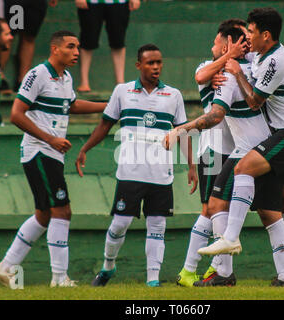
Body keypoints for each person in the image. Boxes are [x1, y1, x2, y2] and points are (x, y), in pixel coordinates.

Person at [197, 7, 284, 285]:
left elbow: (254, 101)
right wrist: (229, 60)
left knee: (244, 168)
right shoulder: (262, 55)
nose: (247, 37)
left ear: (266, 34)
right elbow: (206, 74)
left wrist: (236, 72)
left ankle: (230, 239)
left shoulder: (275, 60)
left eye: (251, 32)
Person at [0, 30, 107, 288]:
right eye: (70, 47)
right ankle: (58, 278)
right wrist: (49, 139)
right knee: (62, 211)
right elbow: (16, 114)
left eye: (78, 47)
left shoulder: (65, 77)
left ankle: (6, 267)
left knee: (44, 214)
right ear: (55, 49)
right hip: (39, 152)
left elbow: (72, 105)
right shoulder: (37, 74)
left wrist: (107, 106)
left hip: (51, 153)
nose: (76, 52)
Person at [75, 44, 198, 287]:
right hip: (130, 172)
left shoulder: (173, 95)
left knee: (157, 225)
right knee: (121, 223)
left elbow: (183, 133)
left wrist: (192, 166)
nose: (155, 67)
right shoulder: (122, 91)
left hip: (161, 173)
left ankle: (153, 280)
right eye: (150, 63)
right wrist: (85, 149)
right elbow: (104, 125)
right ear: (138, 65)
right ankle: (108, 266)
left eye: (159, 62)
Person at [176, 19, 247, 288]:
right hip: (215, 149)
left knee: (216, 210)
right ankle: (203, 270)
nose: (212, 46)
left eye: (216, 42)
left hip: (235, 148)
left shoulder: (237, 69)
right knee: (211, 209)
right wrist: (228, 58)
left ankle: (205, 270)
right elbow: (200, 77)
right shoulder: (208, 67)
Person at [75, 0, 141, 92]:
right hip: (90, 3)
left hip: (119, 3)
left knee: (118, 42)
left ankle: (120, 83)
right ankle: (84, 83)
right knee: (87, 41)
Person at [4, 0, 58, 91]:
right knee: (10, 35)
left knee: (29, 37)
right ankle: (0, 78)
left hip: (35, 3)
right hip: (16, 2)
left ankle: (23, 81)